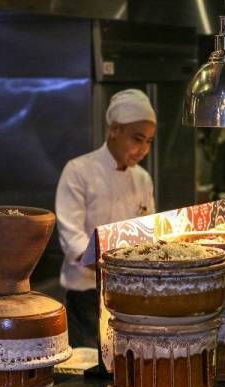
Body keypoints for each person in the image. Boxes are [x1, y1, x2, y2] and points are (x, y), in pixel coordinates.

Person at [55, 89, 157, 348]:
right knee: (91, 363)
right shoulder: (78, 171)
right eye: (137, 139)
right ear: (114, 129)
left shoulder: (142, 179)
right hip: (87, 298)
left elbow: (149, 235)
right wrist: (117, 271)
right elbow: (74, 242)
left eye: (149, 141)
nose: (144, 149)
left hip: (133, 294)